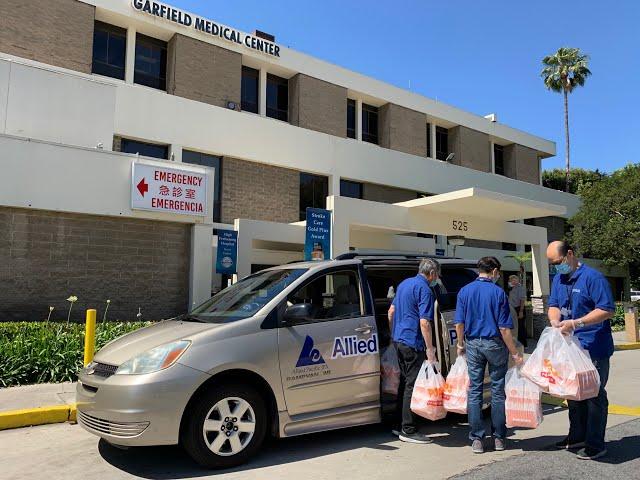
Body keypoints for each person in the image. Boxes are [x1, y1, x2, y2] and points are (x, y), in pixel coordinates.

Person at [546, 240, 615, 460]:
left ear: (570, 255)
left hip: (592, 347)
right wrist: (555, 320)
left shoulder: (593, 278)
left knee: (593, 394)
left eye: (557, 262)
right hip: (569, 347)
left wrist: (577, 323)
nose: (556, 267)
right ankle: (577, 436)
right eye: (552, 264)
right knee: (573, 393)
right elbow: (554, 304)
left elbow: (606, 309)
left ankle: (595, 444)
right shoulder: (559, 278)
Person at [454, 257, 523, 454]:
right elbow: (504, 328)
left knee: (474, 390)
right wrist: (515, 353)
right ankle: (499, 437)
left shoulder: (465, 291)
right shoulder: (498, 293)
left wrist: (460, 344)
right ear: (493, 271)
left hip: (473, 343)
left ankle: (476, 439)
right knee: (497, 390)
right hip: (494, 344)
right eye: (498, 272)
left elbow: (459, 323)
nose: (498, 275)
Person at [387, 258, 440, 444]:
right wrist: (430, 349)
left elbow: (391, 312)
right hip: (413, 341)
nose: (436, 279)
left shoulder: (404, 284)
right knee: (412, 384)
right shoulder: (425, 289)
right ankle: (408, 430)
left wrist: (394, 333)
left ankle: (398, 425)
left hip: (399, 340)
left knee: (404, 382)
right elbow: (425, 322)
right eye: (437, 275)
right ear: (432, 273)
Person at [508, 275, 527, 347]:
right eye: (511, 280)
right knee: (513, 327)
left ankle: (523, 344)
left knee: (520, 326)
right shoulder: (510, 288)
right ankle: (514, 342)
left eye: (514, 279)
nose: (512, 281)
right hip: (511, 309)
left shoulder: (520, 288)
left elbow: (522, 300)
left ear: (517, 280)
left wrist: (521, 311)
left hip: (518, 308)